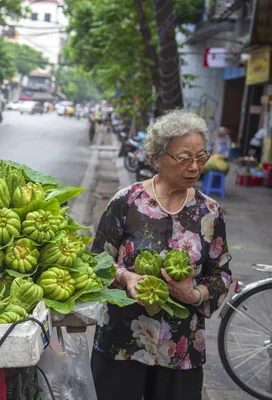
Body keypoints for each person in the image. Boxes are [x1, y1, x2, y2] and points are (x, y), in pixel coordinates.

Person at [91, 109, 232, 400]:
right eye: (183, 159)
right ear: (157, 158)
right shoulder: (126, 202)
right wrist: (126, 277)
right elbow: (95, 260)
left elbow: (222, 274)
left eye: (201, 158)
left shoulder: (210, 213)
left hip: (181, 349)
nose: (194, 167)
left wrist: (194, 295)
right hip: (122, 343)